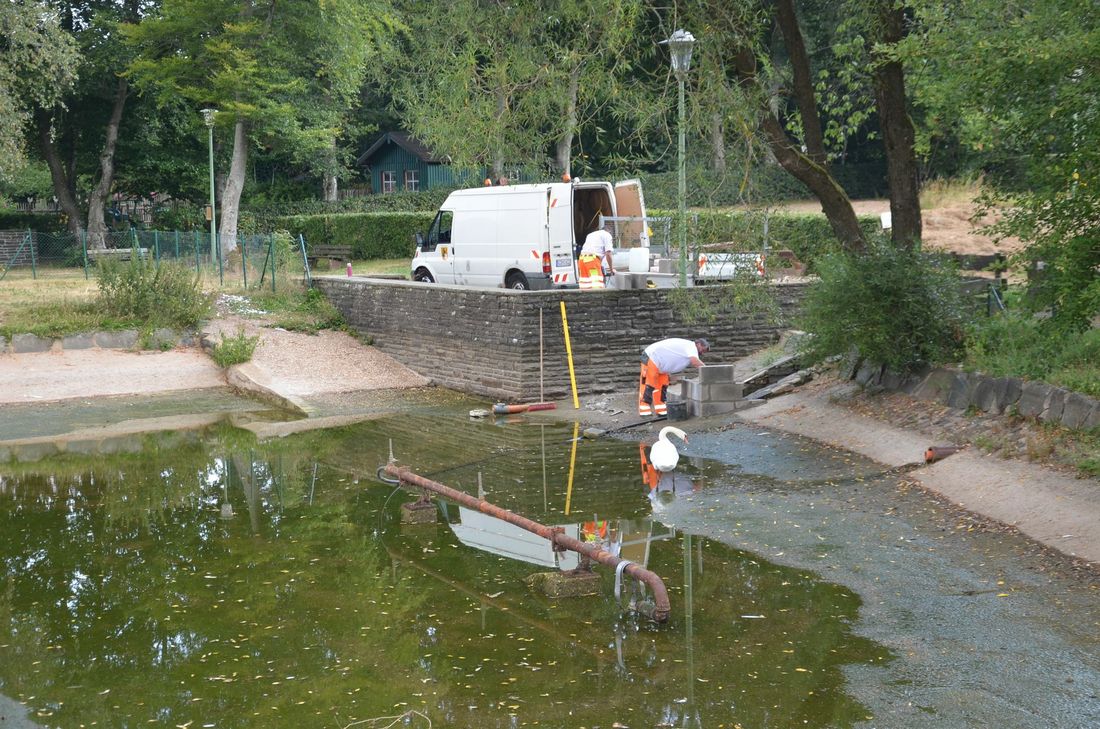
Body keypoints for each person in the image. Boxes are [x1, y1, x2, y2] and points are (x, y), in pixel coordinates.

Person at [638, 337, 708, 416]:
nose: (703, 352)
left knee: (662, 386)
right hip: (652, 357)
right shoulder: (691, 347)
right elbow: (695, 362)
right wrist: (708, 370)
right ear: (698, 344)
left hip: (661, 365)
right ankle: (644, 410)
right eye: (703, 349)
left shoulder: (688, 348)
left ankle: (661, 410)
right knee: (649, 384)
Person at [578, 224, 615, 289]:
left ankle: (585, 298)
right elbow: (608, 253)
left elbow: (594, 249)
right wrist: (611, 270)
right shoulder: (607, 235)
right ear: (610, 232)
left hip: (582, 260)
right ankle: (598, 298)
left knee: (585, 284)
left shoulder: (591, 235)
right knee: (596, 284)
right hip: (592, 260)